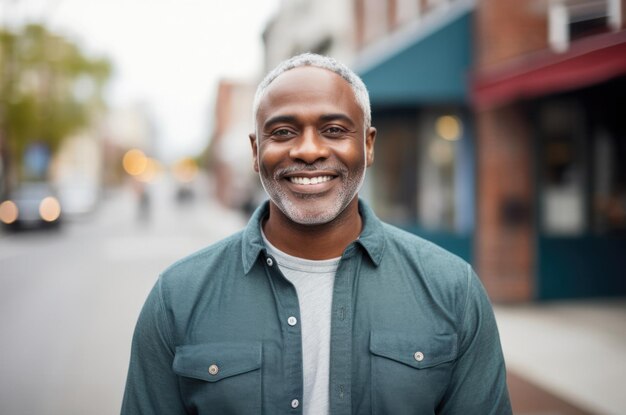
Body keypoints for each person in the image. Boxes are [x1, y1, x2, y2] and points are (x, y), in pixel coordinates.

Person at [121, 53, 512, 415]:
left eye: (334, 129)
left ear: (368, 145)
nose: (308, 151)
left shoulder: (452, 290)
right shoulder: (178, 297)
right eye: (284, 132)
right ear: (256, 152)